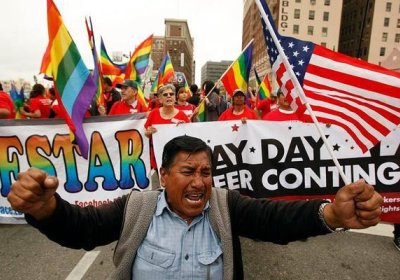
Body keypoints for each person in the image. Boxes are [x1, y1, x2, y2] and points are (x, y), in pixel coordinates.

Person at [7, 135, 383, 279]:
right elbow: (82, 228)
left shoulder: (225, 206)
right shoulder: (136, 208)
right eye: (188, 171)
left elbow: (274, 219)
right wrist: (47, 209)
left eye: (206, 171)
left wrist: (330, 215)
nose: (200, 181)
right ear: (164, 175)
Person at [144, 84, 190, 171]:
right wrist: (148, 132)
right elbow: (146, 134)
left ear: (175, 98)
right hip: (158, 157)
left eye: (171, 94)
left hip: (177, 159)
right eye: (165, 95)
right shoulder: (153, 113)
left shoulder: (182, 115)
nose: (169, 96)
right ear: (160, 100)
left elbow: (189, 138)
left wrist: (184, 128)